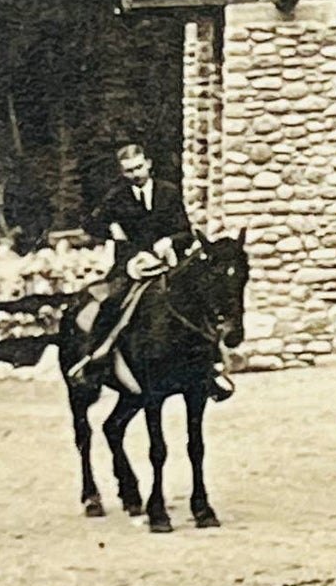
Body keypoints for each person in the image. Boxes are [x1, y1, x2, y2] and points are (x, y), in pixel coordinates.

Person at [67, 144, 232, 399]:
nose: (135, 174)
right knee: (112, 302)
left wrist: (170, 241)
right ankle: (95, 357)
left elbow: (185, 233)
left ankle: (212, 368)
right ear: (123, 173)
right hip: (131, 266)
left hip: (167, 264)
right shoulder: (116, 196)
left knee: (201, 303)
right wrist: (111, 228)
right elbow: (89, 222)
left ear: (149, 164)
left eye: (139, 167)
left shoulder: (168, 192)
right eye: (129, 171)